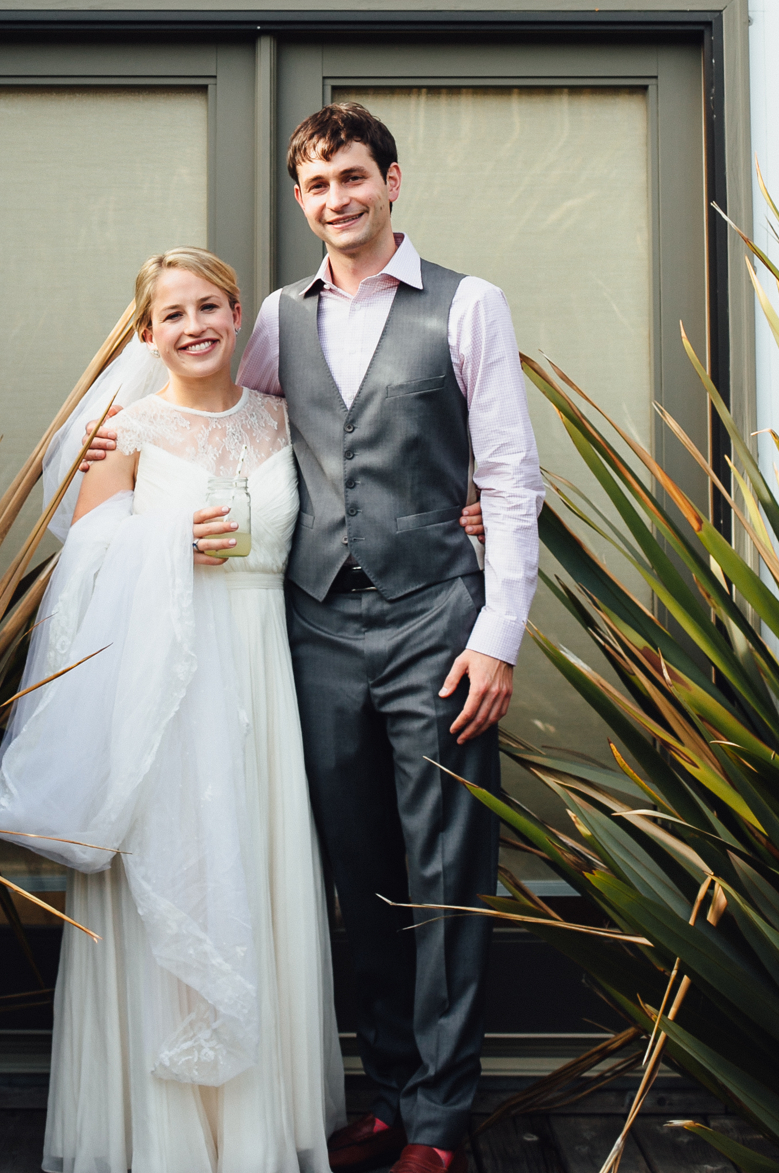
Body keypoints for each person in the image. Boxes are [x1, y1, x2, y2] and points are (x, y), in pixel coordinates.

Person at [0, 248, 346, 1173]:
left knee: (254, 875)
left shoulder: (283, 420)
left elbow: (356, 503)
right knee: (179, 876)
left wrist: (464, 509)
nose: (193, 327)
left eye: (209, 307)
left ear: (238, 317)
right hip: (169, 690)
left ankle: (255, 1130)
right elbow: (83, 569)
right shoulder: (124, 430)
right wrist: (161, 540)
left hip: (266, 683)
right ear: (146, 333)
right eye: (172, 315)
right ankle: (166, 1140)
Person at [235, 103, 544, 1173]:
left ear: (392, 179)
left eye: (353, 176)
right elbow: (238, 438)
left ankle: (442, 1125)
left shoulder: (468, 304)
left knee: (448, 871)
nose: (337, 198)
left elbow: (507, 476)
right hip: (315, 620)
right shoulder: (276, 316)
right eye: (317, 185)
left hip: (435, 623)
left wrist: (498, 635)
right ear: (300, 199)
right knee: (354, 871)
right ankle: (388, 1088)